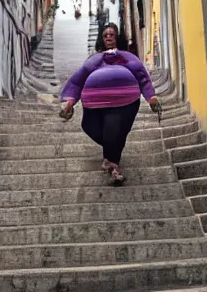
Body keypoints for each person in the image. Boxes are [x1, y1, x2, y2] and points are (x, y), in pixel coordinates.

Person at [59, 23, 161, 185]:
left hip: (124, 102)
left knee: (114, 130)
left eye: (111, 34)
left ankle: (114, 167)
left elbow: (142, 76)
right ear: (101, 39)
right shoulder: (94, 60)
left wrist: (151, 98)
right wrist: (70, 101)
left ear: (117, 37)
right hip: (94, 103)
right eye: (105, 35)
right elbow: (78, 80)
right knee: (90, 126)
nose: (108, 37)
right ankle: (111, 156)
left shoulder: (127, 57)